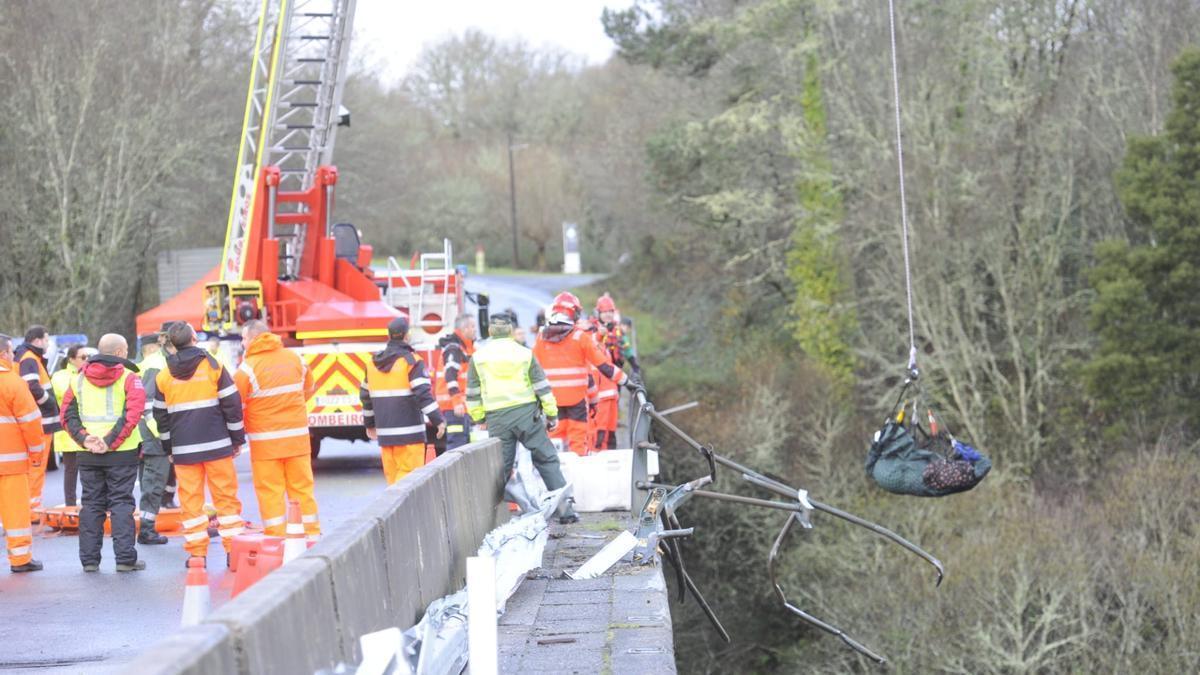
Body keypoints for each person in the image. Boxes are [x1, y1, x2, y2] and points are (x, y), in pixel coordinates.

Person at [466, 313, 578, 523]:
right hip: (528, 416)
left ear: (489, 331)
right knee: (547, 459)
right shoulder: (524, 354)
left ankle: (489, 517)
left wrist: (479, 417)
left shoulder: (478, 357)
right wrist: (552, 413)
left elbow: (472, 392)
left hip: (497, 418)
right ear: (510, 330)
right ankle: (565, 512)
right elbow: (542, 387)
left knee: (500, 468)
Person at [152, 322, 246, 566]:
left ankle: (197, 555)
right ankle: (233, 553)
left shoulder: (164, 376)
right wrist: (236, 440)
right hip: (217, 446)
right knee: (225, 499)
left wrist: (169, 450)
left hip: (184, 451)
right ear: (194, 338)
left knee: (191, 503)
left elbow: (161, 419)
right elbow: (232, 405)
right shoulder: (213, 366)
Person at [60, 334, 147, 572]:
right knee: (121, 503)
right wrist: (109, 442)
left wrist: (85, 438)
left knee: (91, 504)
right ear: (119, 353)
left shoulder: (78, 379)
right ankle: (125, 560)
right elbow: (133, 415)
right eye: (127, 349)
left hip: (88, 453)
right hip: (122, 452)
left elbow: (67, 415)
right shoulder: (130, 378)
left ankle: (89, 561)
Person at [234, 320, 320, 542]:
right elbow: (308, 390)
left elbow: (237, 406)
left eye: (244, 338)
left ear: (253, 338)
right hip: (297, 441)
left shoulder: (247, 368)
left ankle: (277, 537)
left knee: (270, 492)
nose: (242, 342)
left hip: (265, 445)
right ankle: (310, 534)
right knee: (302, 489)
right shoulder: (295, 359)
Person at [532, 292, 637, 456]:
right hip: (577, 403)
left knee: (555, 444)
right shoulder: (580, 337)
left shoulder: (541, 338)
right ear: (574, 313)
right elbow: (604, 366)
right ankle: (578, 477)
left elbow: (532, 370)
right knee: (578, 444)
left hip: (552, 402)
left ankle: (556, 478)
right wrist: (627, 382)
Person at [361, 317, 445, 485]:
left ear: (389, 335)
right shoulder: (411, 362)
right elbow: (423, 394)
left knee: (393, 482)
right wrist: (438, 420)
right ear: (407, 336)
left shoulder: (372, 363)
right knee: (408, 483)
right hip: (410, 436)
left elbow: (365, 396)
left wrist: (370, 424)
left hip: (386, 436)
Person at [0, 333, 45, 573]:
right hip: (11, 463)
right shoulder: (12, 382)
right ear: (4, 354)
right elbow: (30, 421)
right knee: (15, 512)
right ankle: (19, 558)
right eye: (10, 352)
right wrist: (37, 454)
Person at [15, 325, 61, 517]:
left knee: (33, 467)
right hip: (40, 422)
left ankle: (28, 508)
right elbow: (32, 387)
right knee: (36, 467)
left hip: (37, 421)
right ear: (37, 341)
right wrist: (49, 402)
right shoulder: (30, 359)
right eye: (46, 340)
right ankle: (31, 510)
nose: (48, 343)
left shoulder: (27, 357)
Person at [134, 330, 170, 545]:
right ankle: (147, 530)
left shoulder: (151, 362)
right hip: (154, 434)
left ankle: (146, 526)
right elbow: (148, 403)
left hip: (147, 432)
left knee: (152, 481)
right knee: (154, 481)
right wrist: (160, 434)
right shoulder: (157, 363)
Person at [50, 344, 94, 507]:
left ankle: (90, 505)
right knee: (71, 471)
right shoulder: (61, 376)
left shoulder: (89, 373)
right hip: (68, 433)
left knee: (89, 473)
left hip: (89, 430)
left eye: (88, 356)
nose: (87, 360)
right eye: (83, 357)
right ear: (71, 359)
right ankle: (70, 506)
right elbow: (67, 393)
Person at [435, 315, 477, 452]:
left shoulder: (464, 348)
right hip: (453, 406)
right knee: (457, 446)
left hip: (459, 406)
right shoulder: (454, 349)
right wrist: (456, 402)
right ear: (464, 329)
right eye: (472, 326)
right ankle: (456, 474)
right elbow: (451, 376)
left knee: (462, 444)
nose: (475, 330)